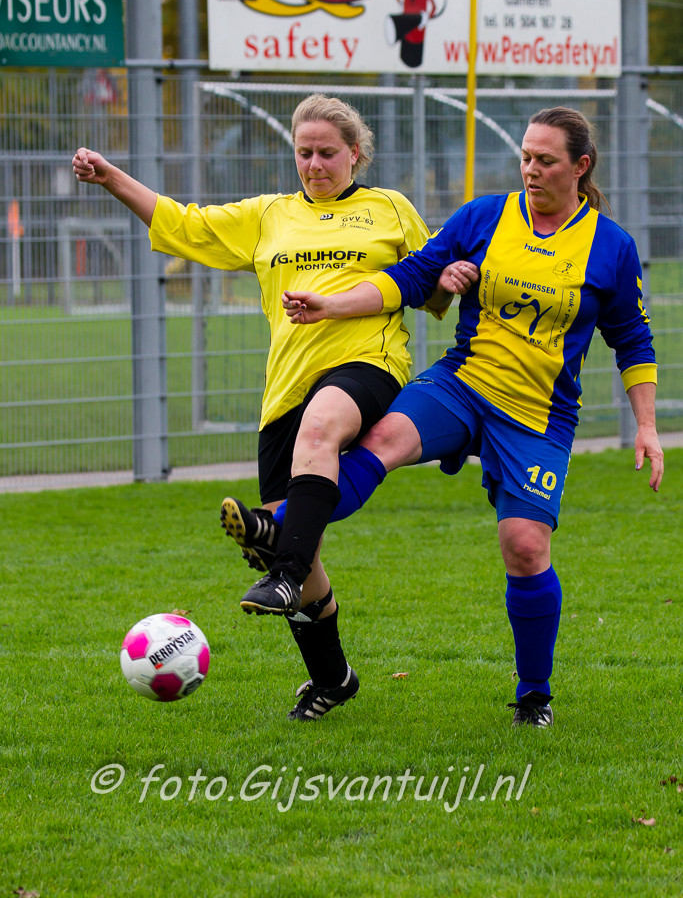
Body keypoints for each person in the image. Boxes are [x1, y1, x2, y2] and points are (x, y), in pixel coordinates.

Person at [247, 106, 663, 727]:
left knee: (525, 546)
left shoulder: (611, 246)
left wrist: (647, 426)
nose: (531, 170)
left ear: (581, 166)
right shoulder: (484, 217)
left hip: (538, 415)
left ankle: (534, 695)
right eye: (525, 157)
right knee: (382, 439)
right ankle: (277, 529)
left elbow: (633, 341)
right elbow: (412, 278)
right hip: (460, 385)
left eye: (546, 160)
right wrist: (335, 304)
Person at [72, 93, 478, 722]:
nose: (314, 164)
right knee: (295, 550)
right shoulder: (267, 215)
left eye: (327, 153)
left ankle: (282, 568)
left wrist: (449, 281)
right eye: (304, 152)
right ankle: (332, 677)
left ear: (356, 154)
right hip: (286, 388)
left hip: (368, 365)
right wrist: (111, 178)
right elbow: (183, 224)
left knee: (313, 455)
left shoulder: (390, 208)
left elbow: (428, 285)